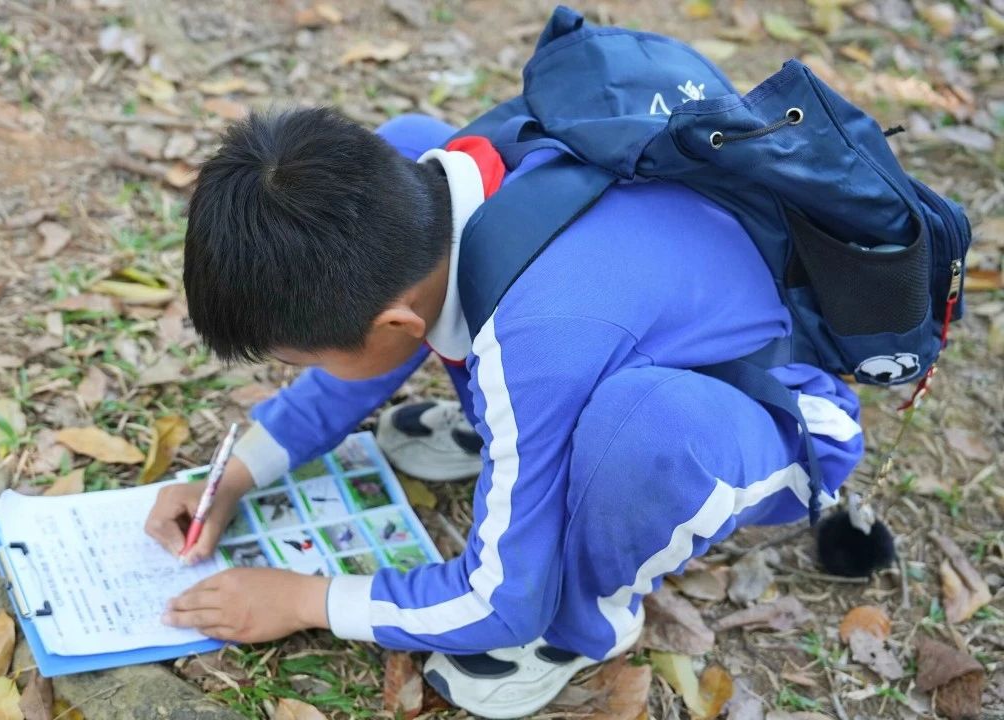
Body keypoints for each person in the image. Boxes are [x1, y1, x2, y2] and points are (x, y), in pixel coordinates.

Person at [143, 107, 865, 718]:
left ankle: (586, 620)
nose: (311, 372)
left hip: (779, 418)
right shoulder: (420, 164)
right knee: (552, 386)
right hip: (628, 337)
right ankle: (523, 440)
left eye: (304, 360)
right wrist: (238, 473)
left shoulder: (536, 340)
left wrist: (307, 600)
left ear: (396, 324)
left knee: (643, 432)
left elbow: (499, 600)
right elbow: (366, 350)